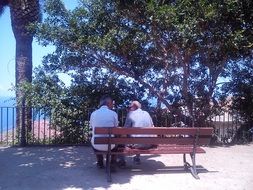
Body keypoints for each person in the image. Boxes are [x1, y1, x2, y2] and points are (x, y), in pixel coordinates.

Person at [90, 95, 118, 169]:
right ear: (108, 103)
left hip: (97, 145)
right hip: (111, 146)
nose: (113, 105)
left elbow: (92, 127)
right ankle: (112, 162)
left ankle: (100, 162)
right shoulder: (114, 114)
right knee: (118, 141)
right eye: (112, 103)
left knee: (93, 139)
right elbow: (116, 128)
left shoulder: (93, 114)